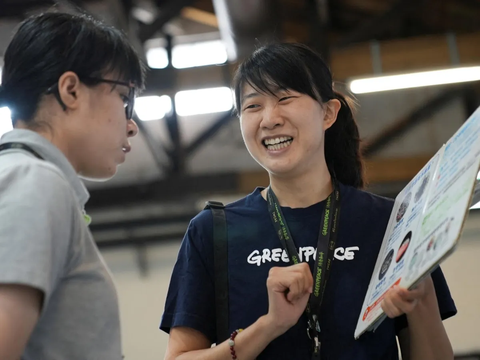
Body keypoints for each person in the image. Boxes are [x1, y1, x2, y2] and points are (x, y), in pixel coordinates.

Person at [160, 43, 456, 360]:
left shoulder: (391, 223)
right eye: (252, 106)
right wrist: (270, 325)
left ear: (327, 113)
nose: (269, 119)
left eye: (285, 98)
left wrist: (422, 296)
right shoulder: (212, 232)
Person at [0, 12, 145, 360]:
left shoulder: (24, 178)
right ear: (71, 90)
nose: (131, 126)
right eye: (125, 100)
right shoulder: (36, 183)